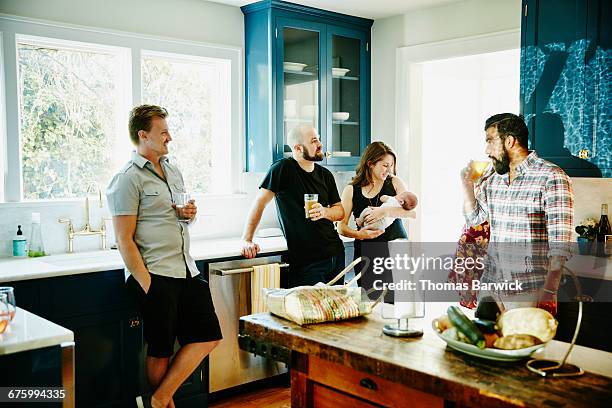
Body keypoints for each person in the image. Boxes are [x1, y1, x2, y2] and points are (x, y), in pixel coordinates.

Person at [107, 105, 221, 408]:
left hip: (186, 269)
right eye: (163, 132)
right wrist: (148, 284)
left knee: (209, 336)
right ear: (143, 135)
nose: (169, 137)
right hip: (156, 274)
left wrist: (188, 215)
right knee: (161, 350)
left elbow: (179, 220)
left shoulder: (172, 169)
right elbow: (123, 239)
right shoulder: (126, 179)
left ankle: (158, 399)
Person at [461, 113, 574, 315]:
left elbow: (560, 246)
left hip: (528, 290)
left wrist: (549, 291)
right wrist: (467, 185)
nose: (486, 150)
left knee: (521, 344)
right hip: (491, 285)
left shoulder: (551, 176)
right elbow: (474, 219)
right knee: (484, 344)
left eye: (490, 141)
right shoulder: (493, 177)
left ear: (510, 141)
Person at [241, 125, 345, 287]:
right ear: (297, 148)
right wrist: (247, 239)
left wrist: (324, 211)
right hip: (307, 261)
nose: (320, 144)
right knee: (309, 311)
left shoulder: (326, 175)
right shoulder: (283, 169)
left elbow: (340, 212)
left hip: (336, 255)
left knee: (338, 310)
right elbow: (259, 203)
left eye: (318, 139)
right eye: (314, 141)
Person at [338, 142, 415, 298]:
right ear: (370, 164)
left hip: (395, 249)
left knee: (395, 303)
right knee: (369, 304)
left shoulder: (394, 183)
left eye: (392, 165)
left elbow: (411, 214)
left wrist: (384, 210)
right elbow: (341, 227)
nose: (389, 170)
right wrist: (359, 235)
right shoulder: (351, 190)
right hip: (366, 254)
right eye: (385, 165)